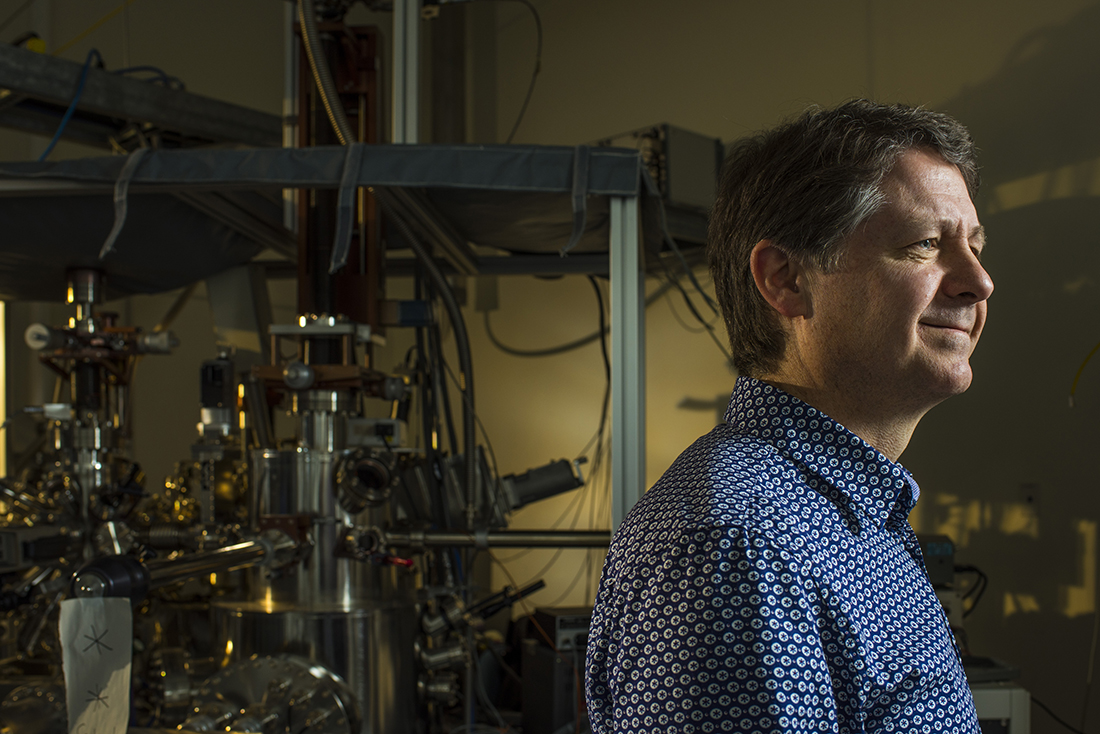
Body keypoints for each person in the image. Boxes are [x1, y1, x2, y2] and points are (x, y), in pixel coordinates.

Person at [585, 99, 992, 733]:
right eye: (925, 245)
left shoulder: (839, 517)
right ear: (787, 280)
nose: (978, 281)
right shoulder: (739, 543)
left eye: (974, 245)